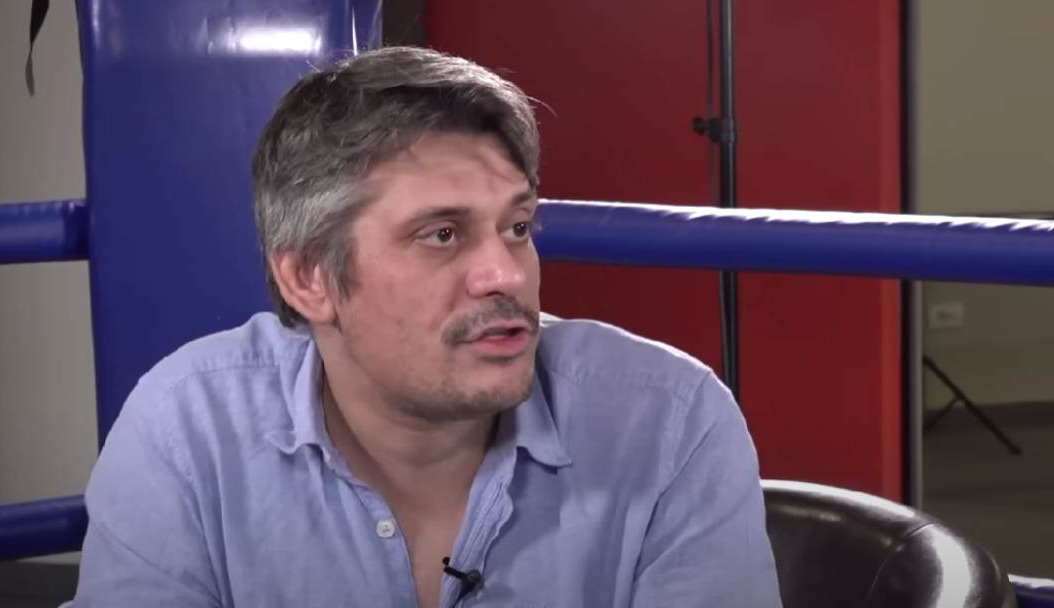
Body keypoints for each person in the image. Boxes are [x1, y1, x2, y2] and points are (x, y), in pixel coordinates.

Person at [66, 46, 781, 607]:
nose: (505, 275)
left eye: (517, 227)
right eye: (442, 234)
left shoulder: (671, 423)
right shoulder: (186, 428)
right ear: (310, 278)